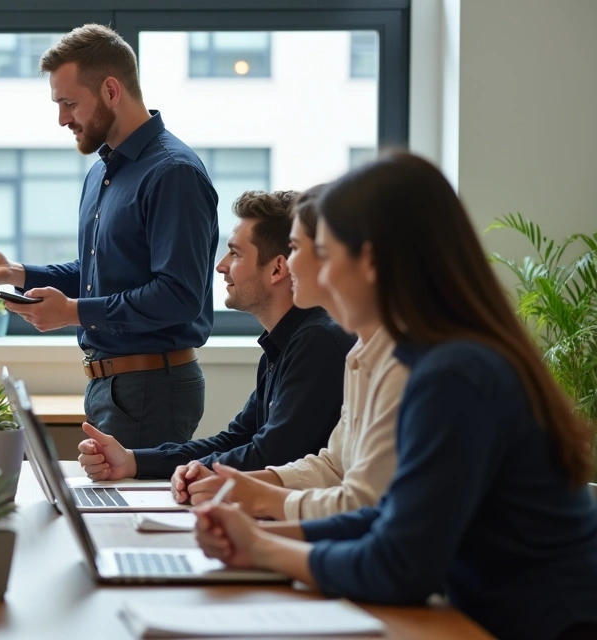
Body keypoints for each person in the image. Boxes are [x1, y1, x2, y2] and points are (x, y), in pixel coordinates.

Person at [194, 152, 597, 640]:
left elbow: (399, 564)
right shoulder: (438, 355)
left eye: (324, 249)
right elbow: (386, 518)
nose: (314, 267)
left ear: (370, 261)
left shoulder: (452, 371)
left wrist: (260, 549)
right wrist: (260, 535)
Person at [0, 23, 218, 449]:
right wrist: (16, 273)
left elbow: (178, 295)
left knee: (126, 514)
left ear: (110, 90)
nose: (63, 118)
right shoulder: (102, 172)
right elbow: (99, 271)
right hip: (112, 384)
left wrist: (74, 312)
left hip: (152, 387)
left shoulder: (173, 173)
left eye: (69, 103)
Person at [77, 190, 354, 480]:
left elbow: (271, 454)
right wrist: (133, 461)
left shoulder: (317, 342)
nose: (221, 266)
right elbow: (236, 439)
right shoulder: (285, 342)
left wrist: (195, 472)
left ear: (277, 269)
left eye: (235, 253)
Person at [174, 185, 409, 520]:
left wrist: (259, 534)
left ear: (365, 260)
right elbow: (332, 466)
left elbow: (364, 505)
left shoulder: (389, 358)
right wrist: (239, 487)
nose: (291, 265)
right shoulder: (362, 352)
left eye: (300, 249)